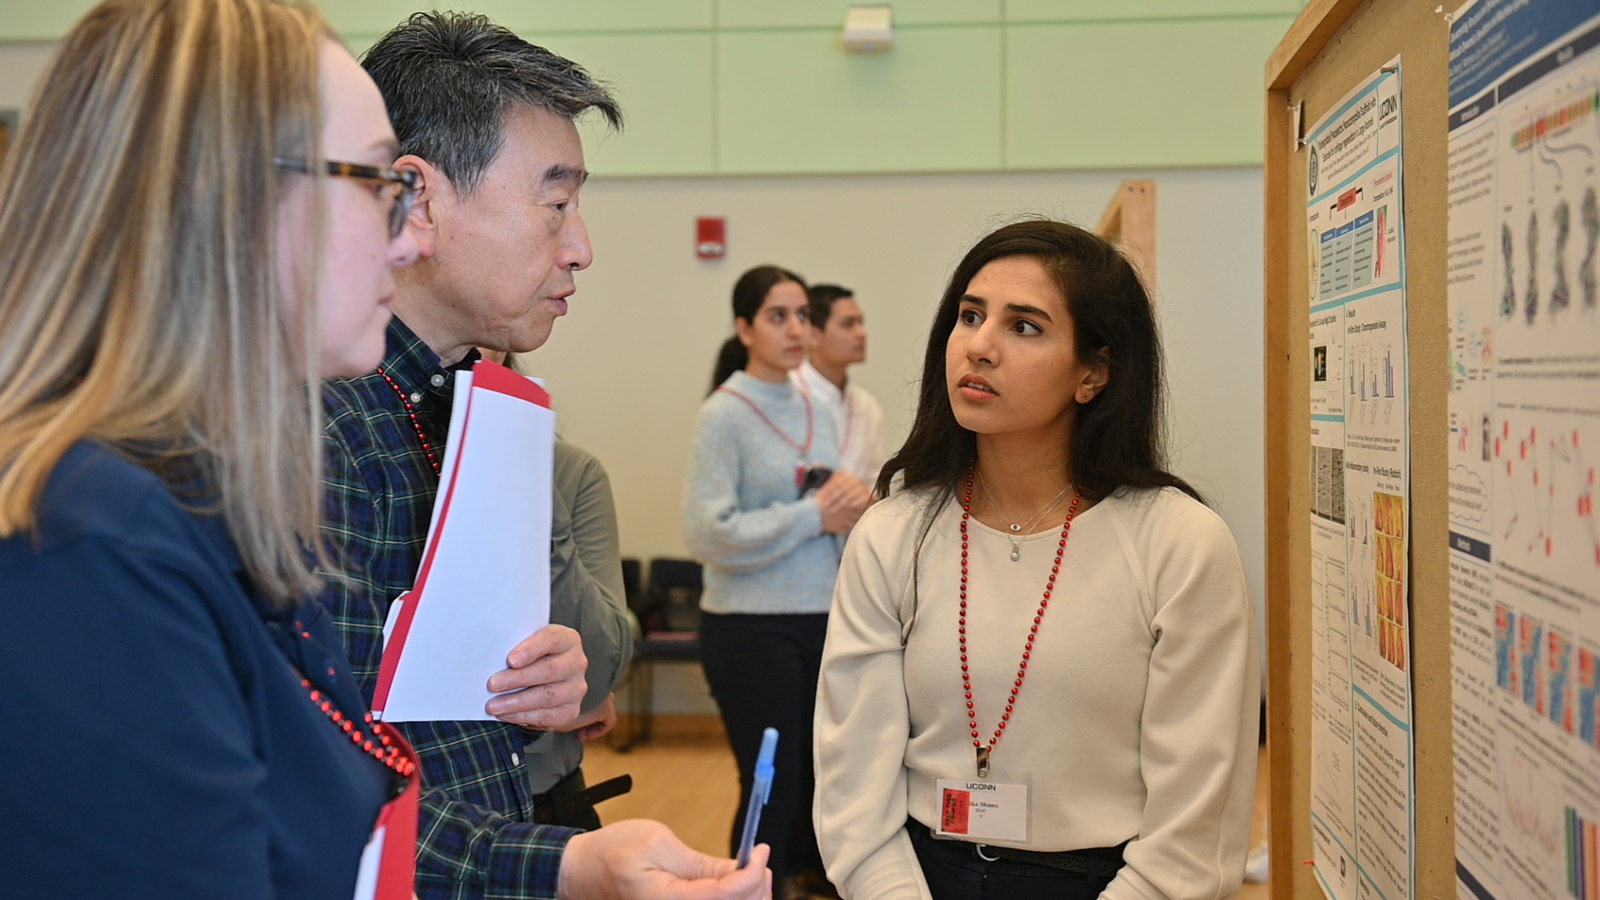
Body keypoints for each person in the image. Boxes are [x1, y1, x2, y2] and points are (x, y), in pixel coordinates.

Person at [319, 11, 767, 900]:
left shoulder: (468, 407)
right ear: (417, 198)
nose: (582, 247)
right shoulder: (328, 426)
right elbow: (327, 797)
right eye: (555, 202)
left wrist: (530, 677)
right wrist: (570, 867)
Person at [0, 0, 424, 895]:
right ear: (224, 194)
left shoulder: (213, 505)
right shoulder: (90, 552)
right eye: (383, 186)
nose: (410, 238)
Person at [814, 220, 1259, 899]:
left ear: (1093, 374)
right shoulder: (893, 533)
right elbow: (853, 790)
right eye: (970, 316)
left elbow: (1195, 826)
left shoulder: (1179, 543)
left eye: (1025, 327)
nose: (980, 346)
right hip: (920, 879)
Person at [685, 265, 873, 898]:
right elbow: (709, 534)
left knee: (825, 772)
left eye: (802, 316)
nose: (796, 329)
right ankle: (751, 887)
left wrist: (854, 508)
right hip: (748, 625)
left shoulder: (820, 405)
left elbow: (833, 508)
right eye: (777, 316)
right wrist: (812, 515)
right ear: (744, 328)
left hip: (824, 614)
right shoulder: (724, 414)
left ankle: (810, 880)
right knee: (775, 779)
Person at [481, 347, 634, 828]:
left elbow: (601, 668)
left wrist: (532, 486)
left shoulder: (572, 473)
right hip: (426, 801)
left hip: (548, 794)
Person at [793, 284, 888, 484]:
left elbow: (877, 481)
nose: (862, 333)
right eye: (848, 324)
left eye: (861, 322)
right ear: (813, 334)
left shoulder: (867, 405)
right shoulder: (786, 393)